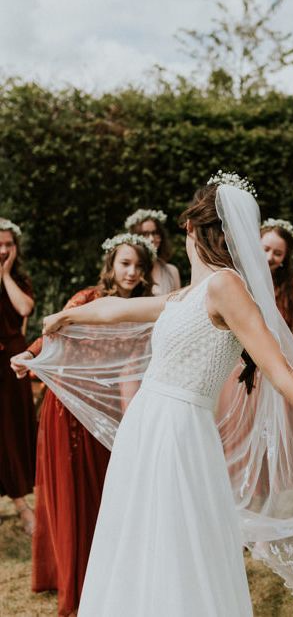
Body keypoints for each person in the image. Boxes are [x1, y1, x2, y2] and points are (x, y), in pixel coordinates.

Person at [16, 174, 293, 615]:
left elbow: (285, 375)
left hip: (180, 432)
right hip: (147, 427)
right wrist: (61, 319)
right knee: (140, 537)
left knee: (178, 544)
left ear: (191, 228)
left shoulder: (225, 287)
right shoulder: (188, 294)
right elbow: (115, 309)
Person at [12, 233, 156, 617]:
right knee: (72, 494)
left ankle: (101, 577)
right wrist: (28, 353)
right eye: (126, 263)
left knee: (101, 495)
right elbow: (52, 335)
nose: (132, 272)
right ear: (111, 263)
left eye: (139, 266)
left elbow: (133, 368)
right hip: (68, 411)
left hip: (105, 411)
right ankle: (72, 584)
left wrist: (132, 419)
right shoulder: (86, 300)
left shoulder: (144, 312)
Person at [0, 218, 36, 536]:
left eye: (8, 244)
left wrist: (5, 275)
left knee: (12, 430)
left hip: (10, 362)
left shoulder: (19, 280)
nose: (2, 249)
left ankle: (22, 503)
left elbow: (24, 309)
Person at [261, 218, 293, 353]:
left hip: (279, 359)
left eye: (278, 253)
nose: (270, 257)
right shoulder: (238, 281)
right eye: (265, 249)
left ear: (284, 258)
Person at [126, 208, 181, 294]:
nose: (151, 239)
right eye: (145, 234)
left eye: (155, 233)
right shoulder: (129, 272)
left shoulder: (172, 271)